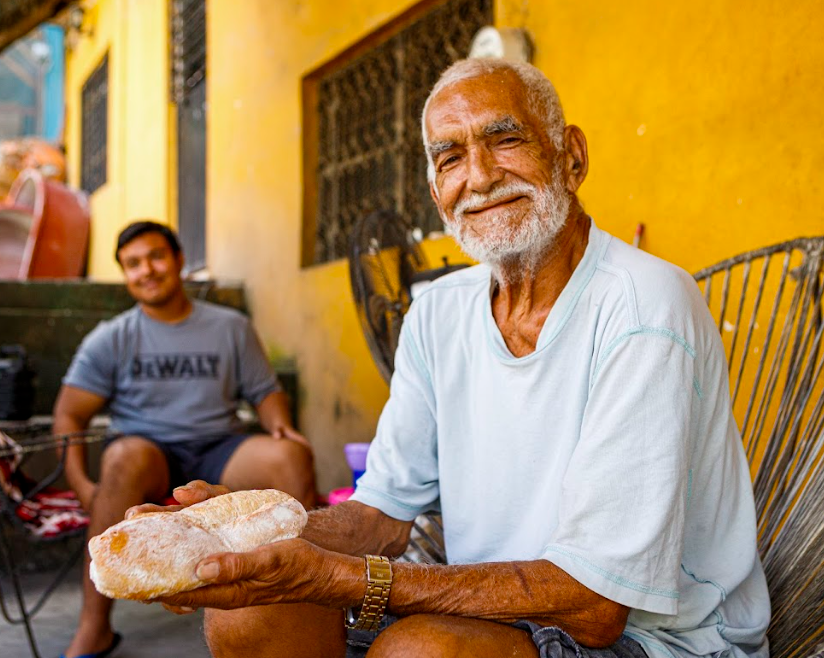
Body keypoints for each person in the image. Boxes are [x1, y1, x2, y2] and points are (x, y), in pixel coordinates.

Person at [136, 60, 771, 658]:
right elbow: (381, 517)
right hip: (494, 612)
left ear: (571, 155)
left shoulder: (643, 304)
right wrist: (238, 536)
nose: (481, 175)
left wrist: (355, 582)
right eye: (450, 156)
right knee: (250, 610)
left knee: (419, 651)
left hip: (657, 638)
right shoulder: (438, 312)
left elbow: (596, 605)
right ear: (437, 191)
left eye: (506, 139)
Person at [54, 221, 316, 658]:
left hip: (219, 447)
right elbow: (69, 412)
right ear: (124, 273)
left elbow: (265, 391)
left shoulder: (230, 327)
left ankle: (299, 608)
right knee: (122, 457)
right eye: (132, 264)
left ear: (178, 261)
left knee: (289, 457)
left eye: (156, 257)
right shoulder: (111, 337)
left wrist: (279, 425)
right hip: (147, 452)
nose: (147, 270)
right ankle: (93, 627)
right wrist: (80, 483)